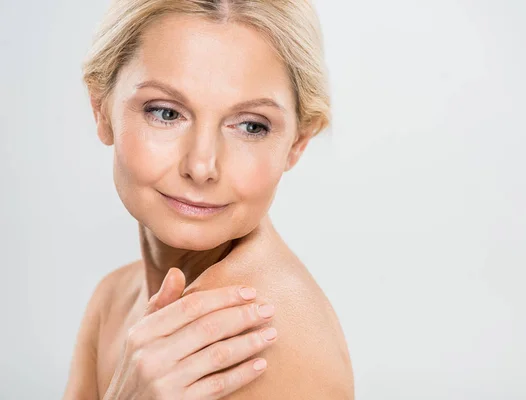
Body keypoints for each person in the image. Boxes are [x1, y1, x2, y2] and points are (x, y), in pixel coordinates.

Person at [62, 0, 354, 399]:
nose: (201, 166)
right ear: (101, 109)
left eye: (251, 125)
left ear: (297, 144)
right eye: (166, 113)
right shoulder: (112, 299)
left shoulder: (263, 342)